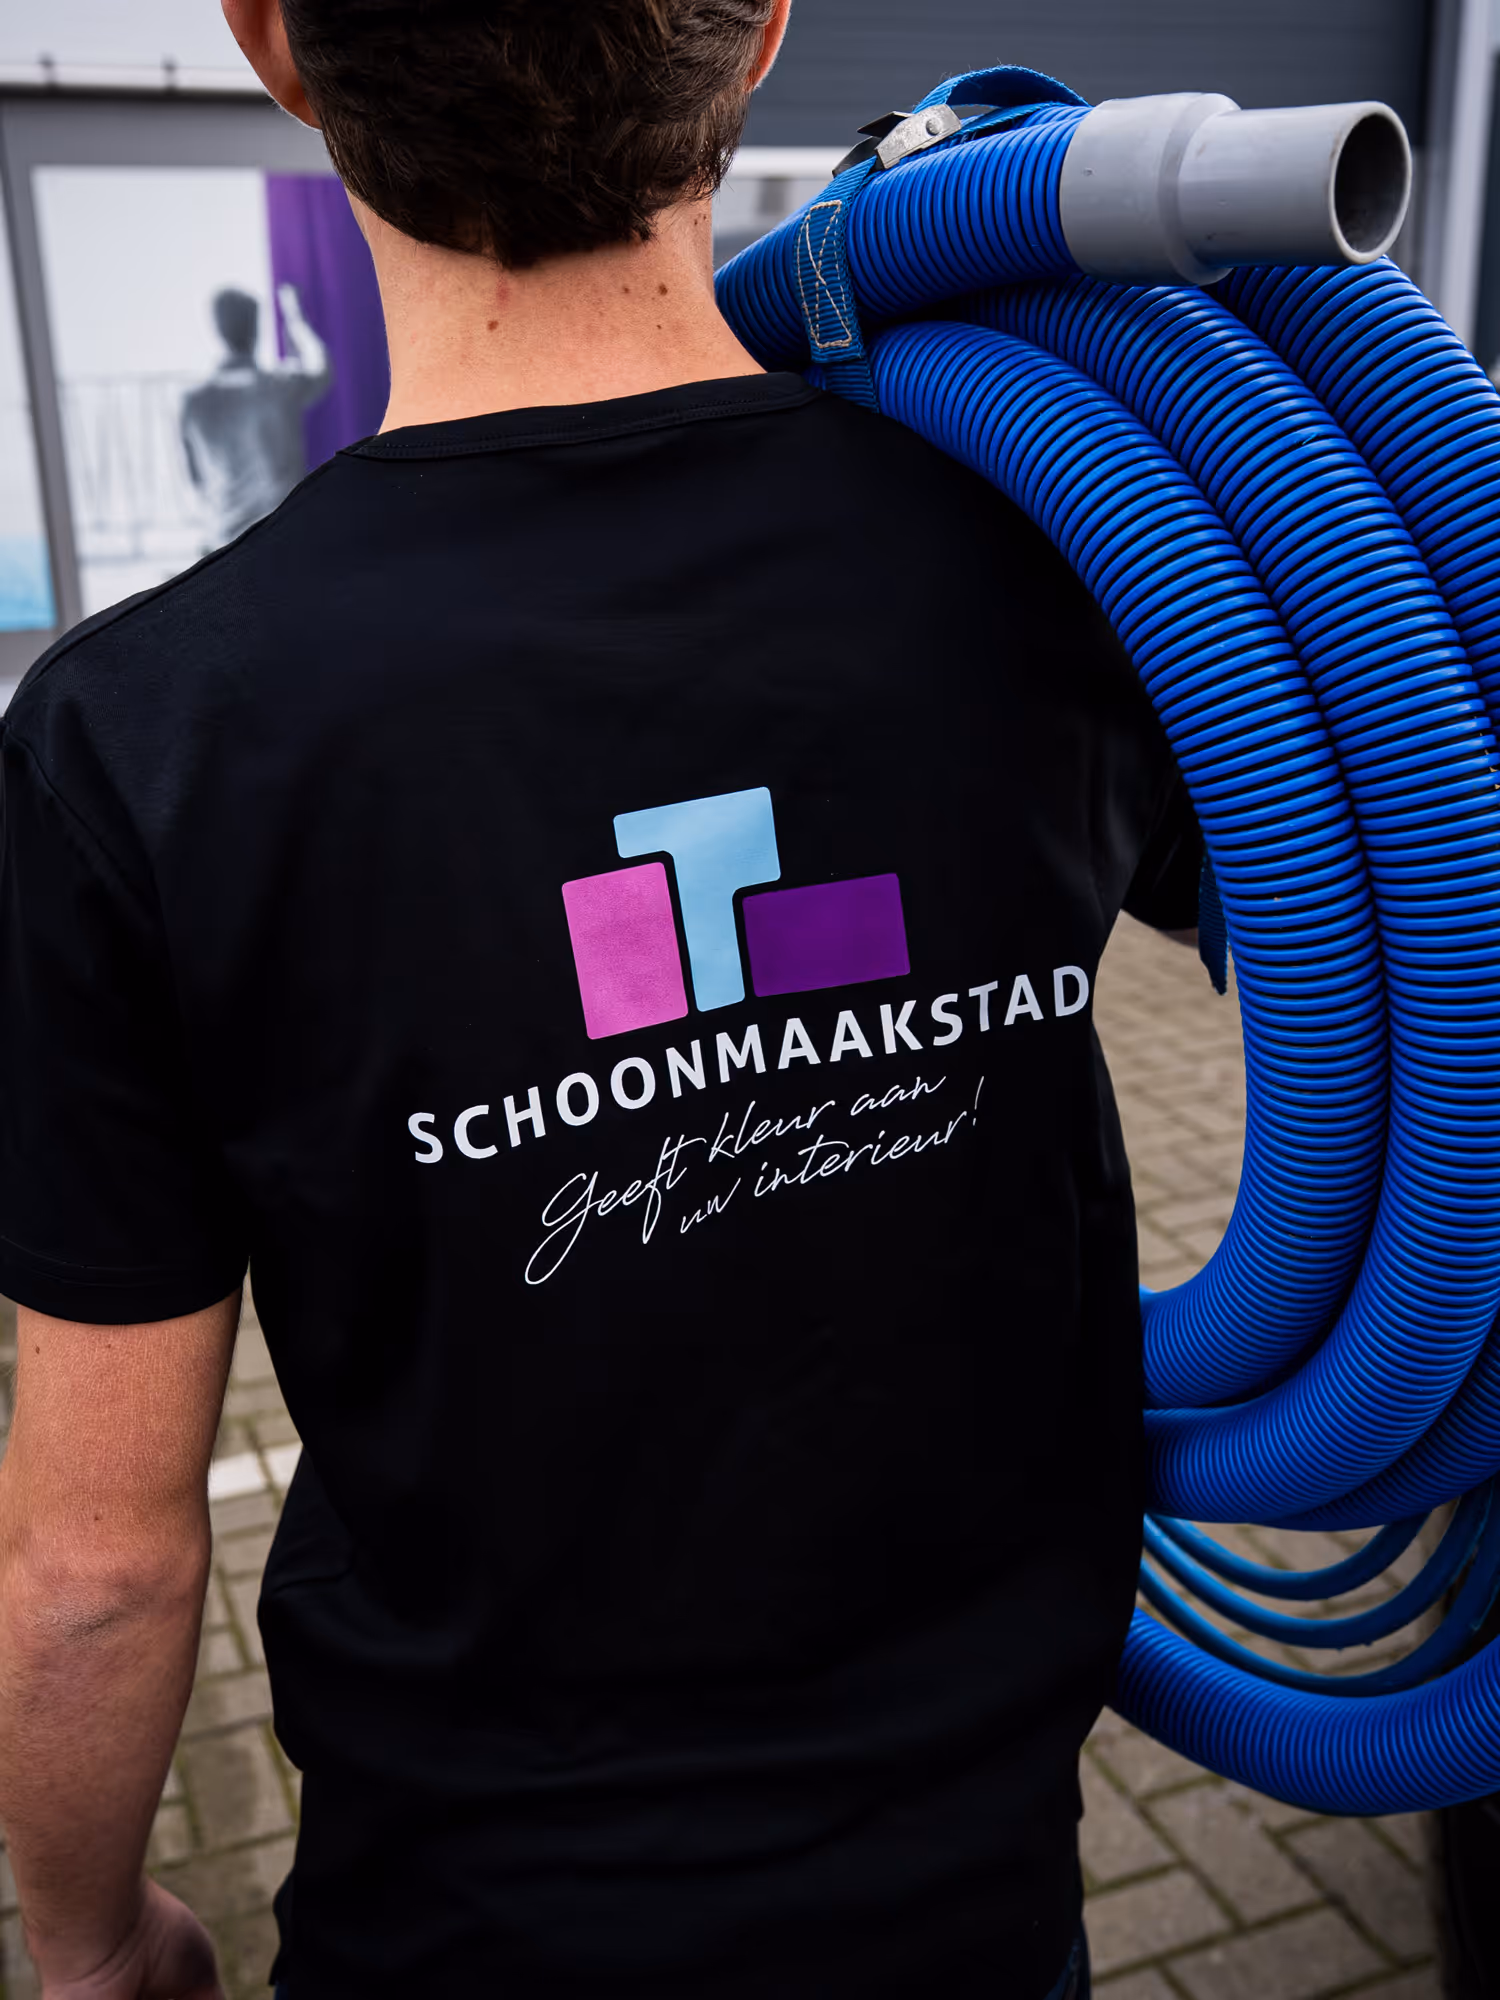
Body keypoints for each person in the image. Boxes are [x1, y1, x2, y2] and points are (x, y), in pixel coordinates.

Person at [0, 3, 1203, 1997]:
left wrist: (91, 1936)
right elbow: (1389, 960)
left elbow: (98, 1566)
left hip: (463, 1922)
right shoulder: (1079, 575)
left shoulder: (139, 746)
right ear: (763, 29)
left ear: (272, 42)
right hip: (975, 1895)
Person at [181, 281, 331, 549]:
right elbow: (321, 368)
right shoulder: (279, 387)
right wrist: (295, 319)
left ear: (218, 331)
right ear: (256, 331)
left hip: (225, 544)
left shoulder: (194, 404)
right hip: (284, 538)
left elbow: (197, 482)